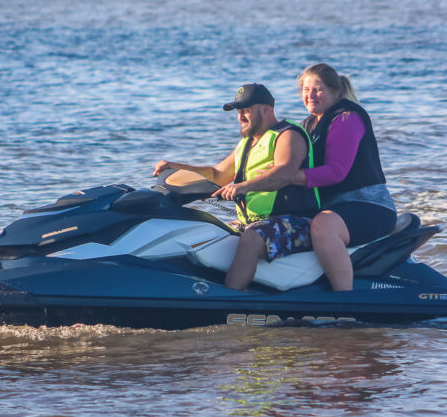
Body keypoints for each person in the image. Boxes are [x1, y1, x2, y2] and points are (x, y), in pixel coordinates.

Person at [153, 83, 320, 290]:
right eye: (238, 111)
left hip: (296, 222)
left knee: (251, 238)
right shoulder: (247, 143)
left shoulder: (288, 135)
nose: (240, 116)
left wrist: (242, 187)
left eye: (246, 111)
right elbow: (217, 175)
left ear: (266, 109)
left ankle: (230, 300)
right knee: (205, 231)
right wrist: (175, 167)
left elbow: (284, 174)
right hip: (253, 222)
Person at [289, 63, 397, 291]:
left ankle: (344, 301)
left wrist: (288, 177)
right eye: (305, 90)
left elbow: (336, 172)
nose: (310, 95)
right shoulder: (307, 125)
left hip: (370, 206)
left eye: (318, 89)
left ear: (336, 91)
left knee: (323, 227)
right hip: (333, 208)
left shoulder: (347, 118)